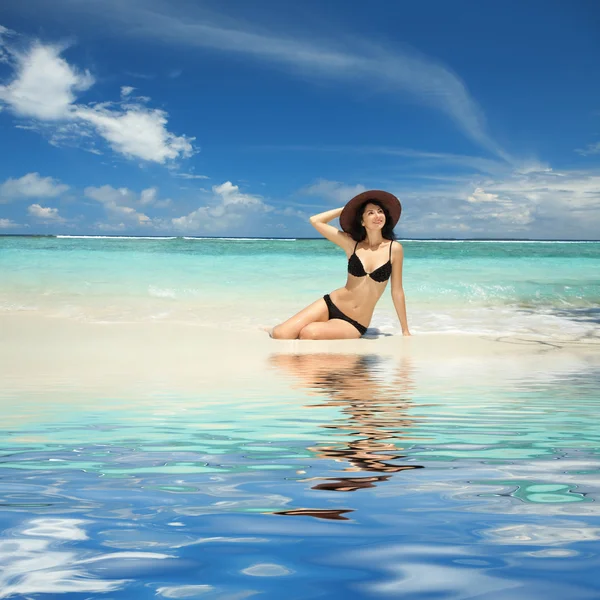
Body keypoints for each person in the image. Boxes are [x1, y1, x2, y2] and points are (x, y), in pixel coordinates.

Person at [269, 190, 411, 339]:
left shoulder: (394, 249)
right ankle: (269, 329)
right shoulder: (352, 245)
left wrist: (405, 330)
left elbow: (397, 291)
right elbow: (315, 220)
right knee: (280, 334)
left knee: (309, 333)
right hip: (332, 303)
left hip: (356, 321)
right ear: (362, 221)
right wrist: (347, 209)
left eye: (380, 211)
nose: (377, 216)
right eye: (370, 213)